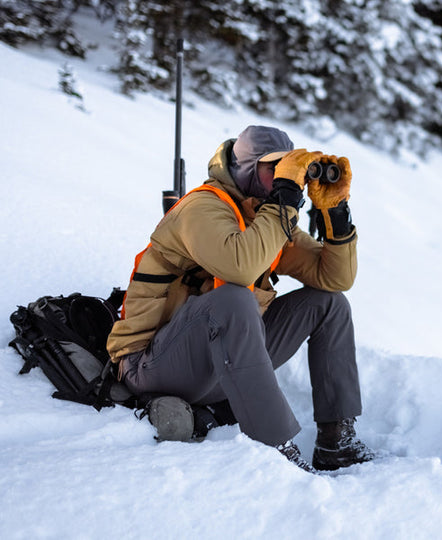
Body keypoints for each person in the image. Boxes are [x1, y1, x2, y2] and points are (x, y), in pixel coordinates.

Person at [106, 125, 374, 472]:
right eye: (273, 169)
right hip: (151, 366)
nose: (282, 178)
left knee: (329, 304)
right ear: (246, 168)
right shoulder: (202, 208)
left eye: (288, 169)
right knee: (233, 297)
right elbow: (240, 268)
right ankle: (275, 448)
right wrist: (285, 199)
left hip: (218, 368)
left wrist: (335, 210)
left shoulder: (269, 220)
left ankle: (337, 441)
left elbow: (336, 278)